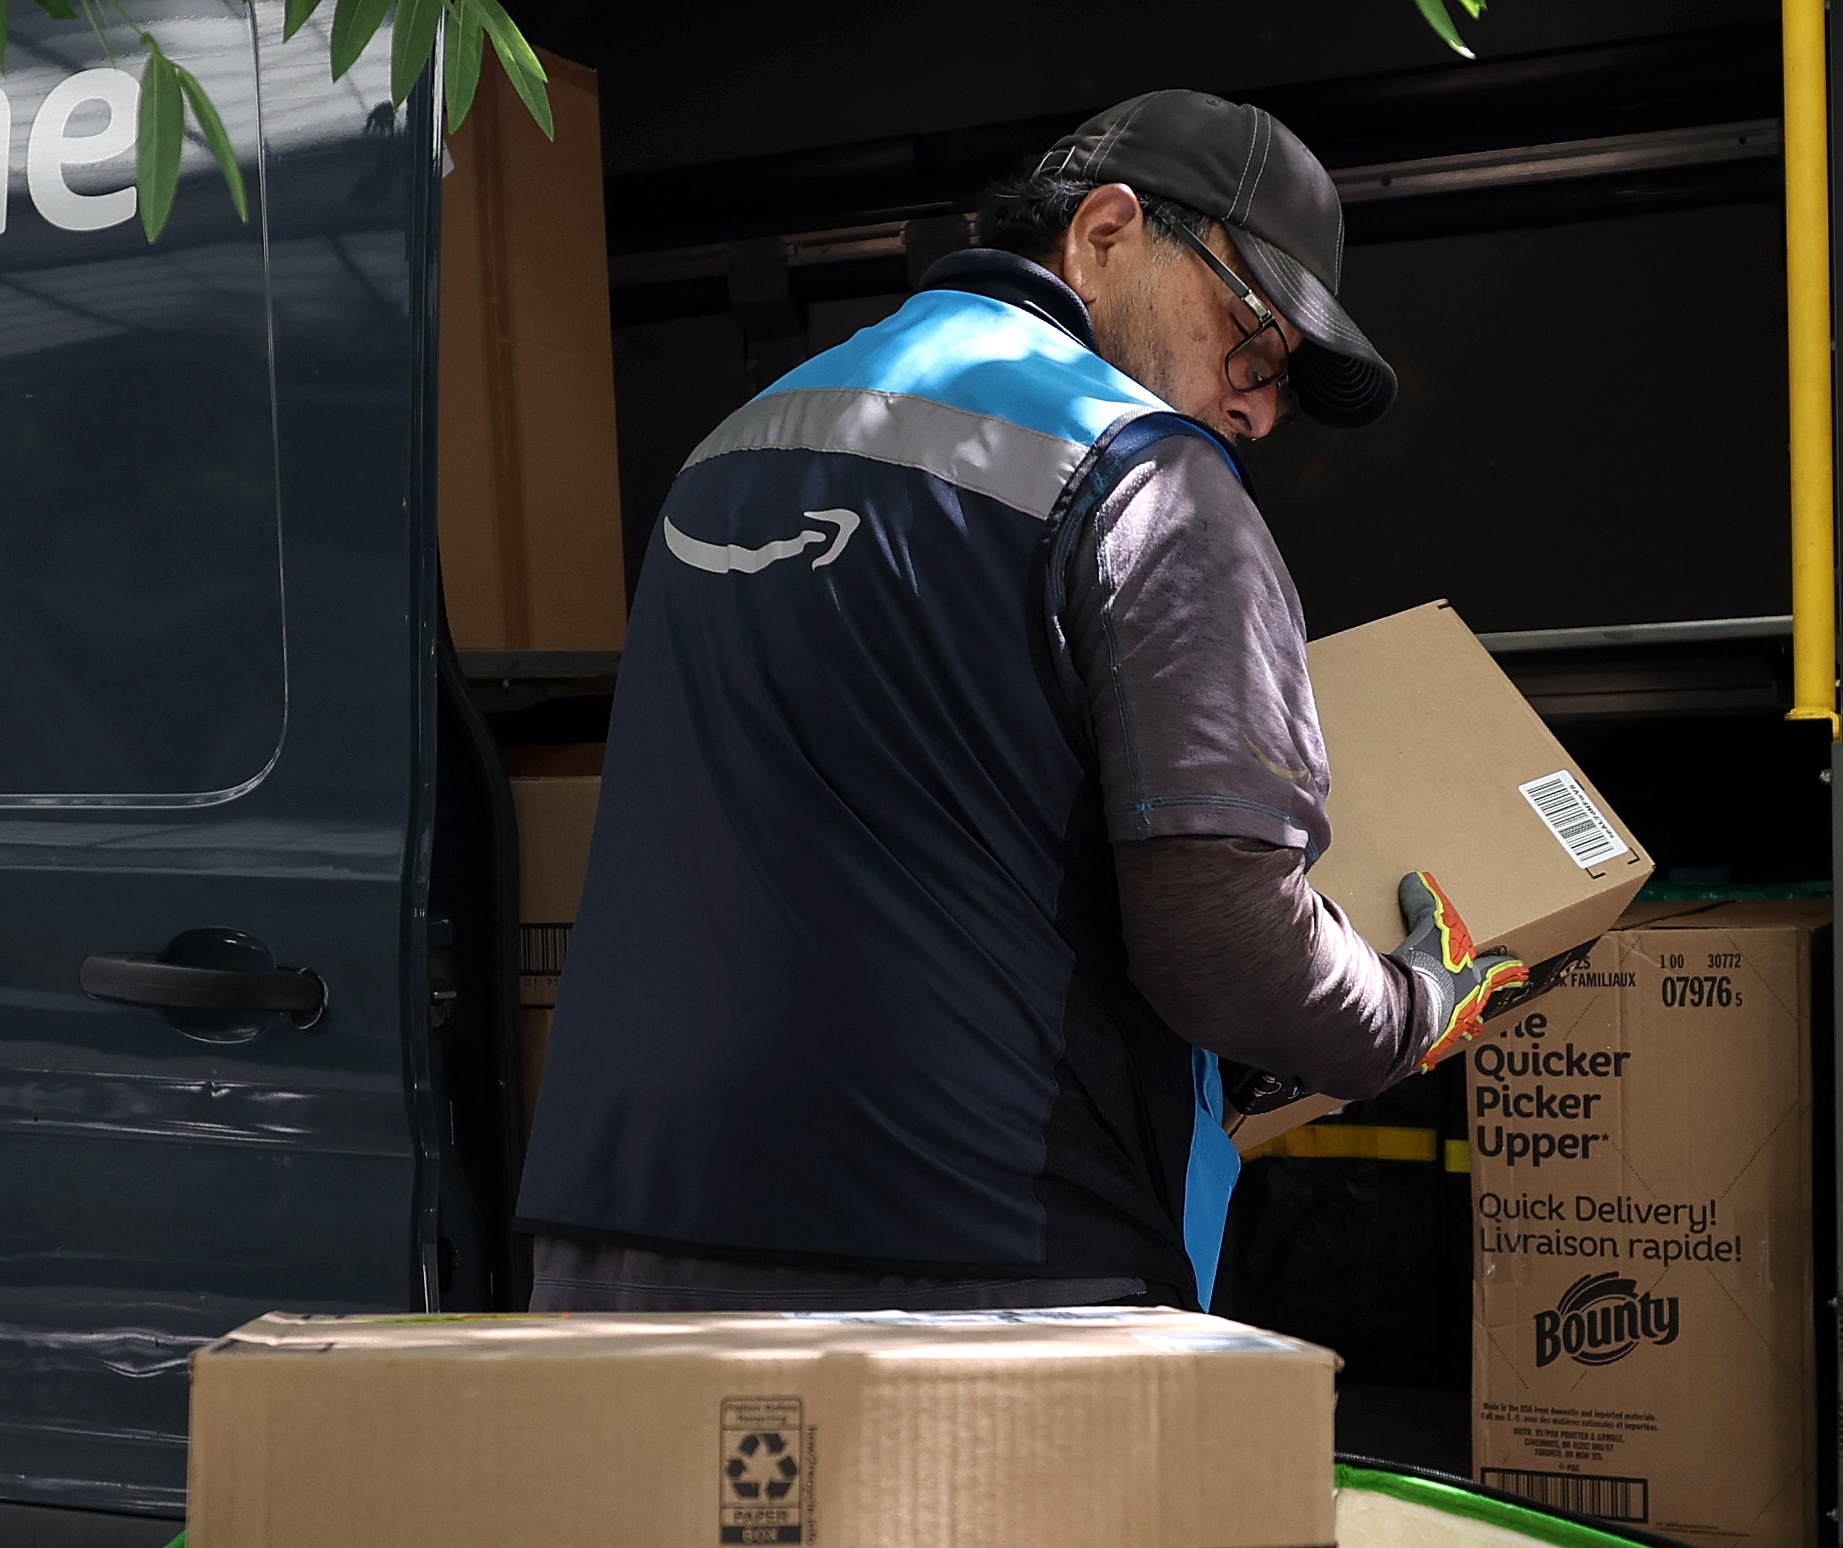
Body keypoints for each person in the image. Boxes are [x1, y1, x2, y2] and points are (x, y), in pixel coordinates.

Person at [514, 90, 1525, 1313]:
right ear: (1104, 234)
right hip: (976, 1266)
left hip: (624, 1240)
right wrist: (1410, 1009)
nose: (1257, 407)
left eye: (1284, 391)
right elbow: (1221, 940)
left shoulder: (734, 449)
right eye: (1253, 340)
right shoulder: (1146, 480)